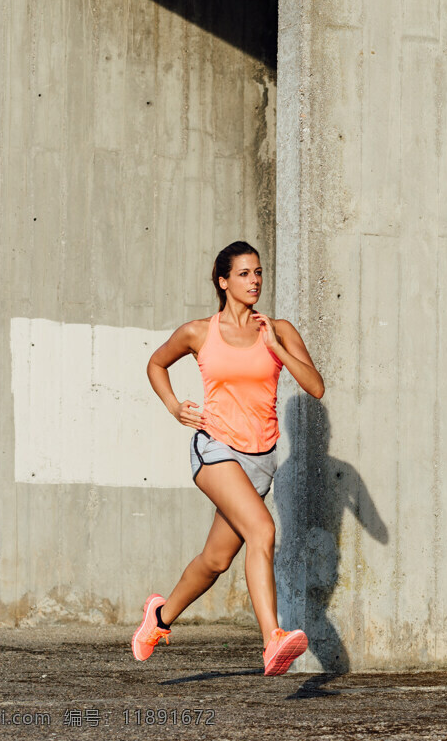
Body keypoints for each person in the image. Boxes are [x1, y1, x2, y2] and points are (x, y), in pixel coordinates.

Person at [130, 240, 325, 676]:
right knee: (263, 529)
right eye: (244, 273)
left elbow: (315, 387)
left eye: (258, 272)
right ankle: (273, 639)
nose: (254, 280)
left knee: (216, 561)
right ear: (223, 281)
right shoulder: (199, 332)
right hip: (215, 448)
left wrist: (277, 346)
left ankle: (158, 619)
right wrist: (173, 405)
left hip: (260, 460)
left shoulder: (280, 330)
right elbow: (156, 364)